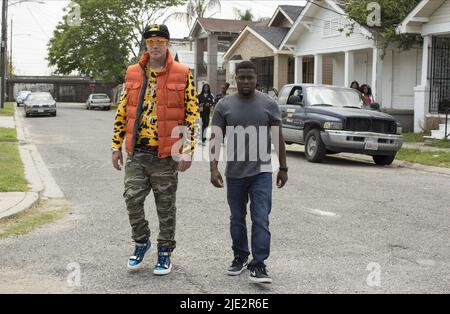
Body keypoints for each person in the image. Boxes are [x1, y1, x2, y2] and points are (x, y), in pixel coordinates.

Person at [111, 24, 199, 276]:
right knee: (132, 198)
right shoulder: (132, 72)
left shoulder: (183, 73)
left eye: (160, 40)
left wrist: (188, 149)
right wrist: (116, 146)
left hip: (166, 155)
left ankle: (164, 251)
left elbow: (192, 114)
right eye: (151, 42)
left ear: (168, 43)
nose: (156, 46)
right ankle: (141, 241)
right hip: (137, 152)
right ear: (146, 46)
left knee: (165, 206)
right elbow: (122, 111)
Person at [209, 60, 288, 284]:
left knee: (261, 218)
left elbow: (278, 138)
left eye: (249, 77)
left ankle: (259, 264)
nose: (245, 81)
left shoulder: (269, 104)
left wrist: (283, 167)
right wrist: (213, 168)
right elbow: (215, 137)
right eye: (241, 77)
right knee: (237, 218)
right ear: (235, 79)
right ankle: (240, 256)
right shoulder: (224, 105)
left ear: (256, 79)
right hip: (234, 173)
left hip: (261, 171)